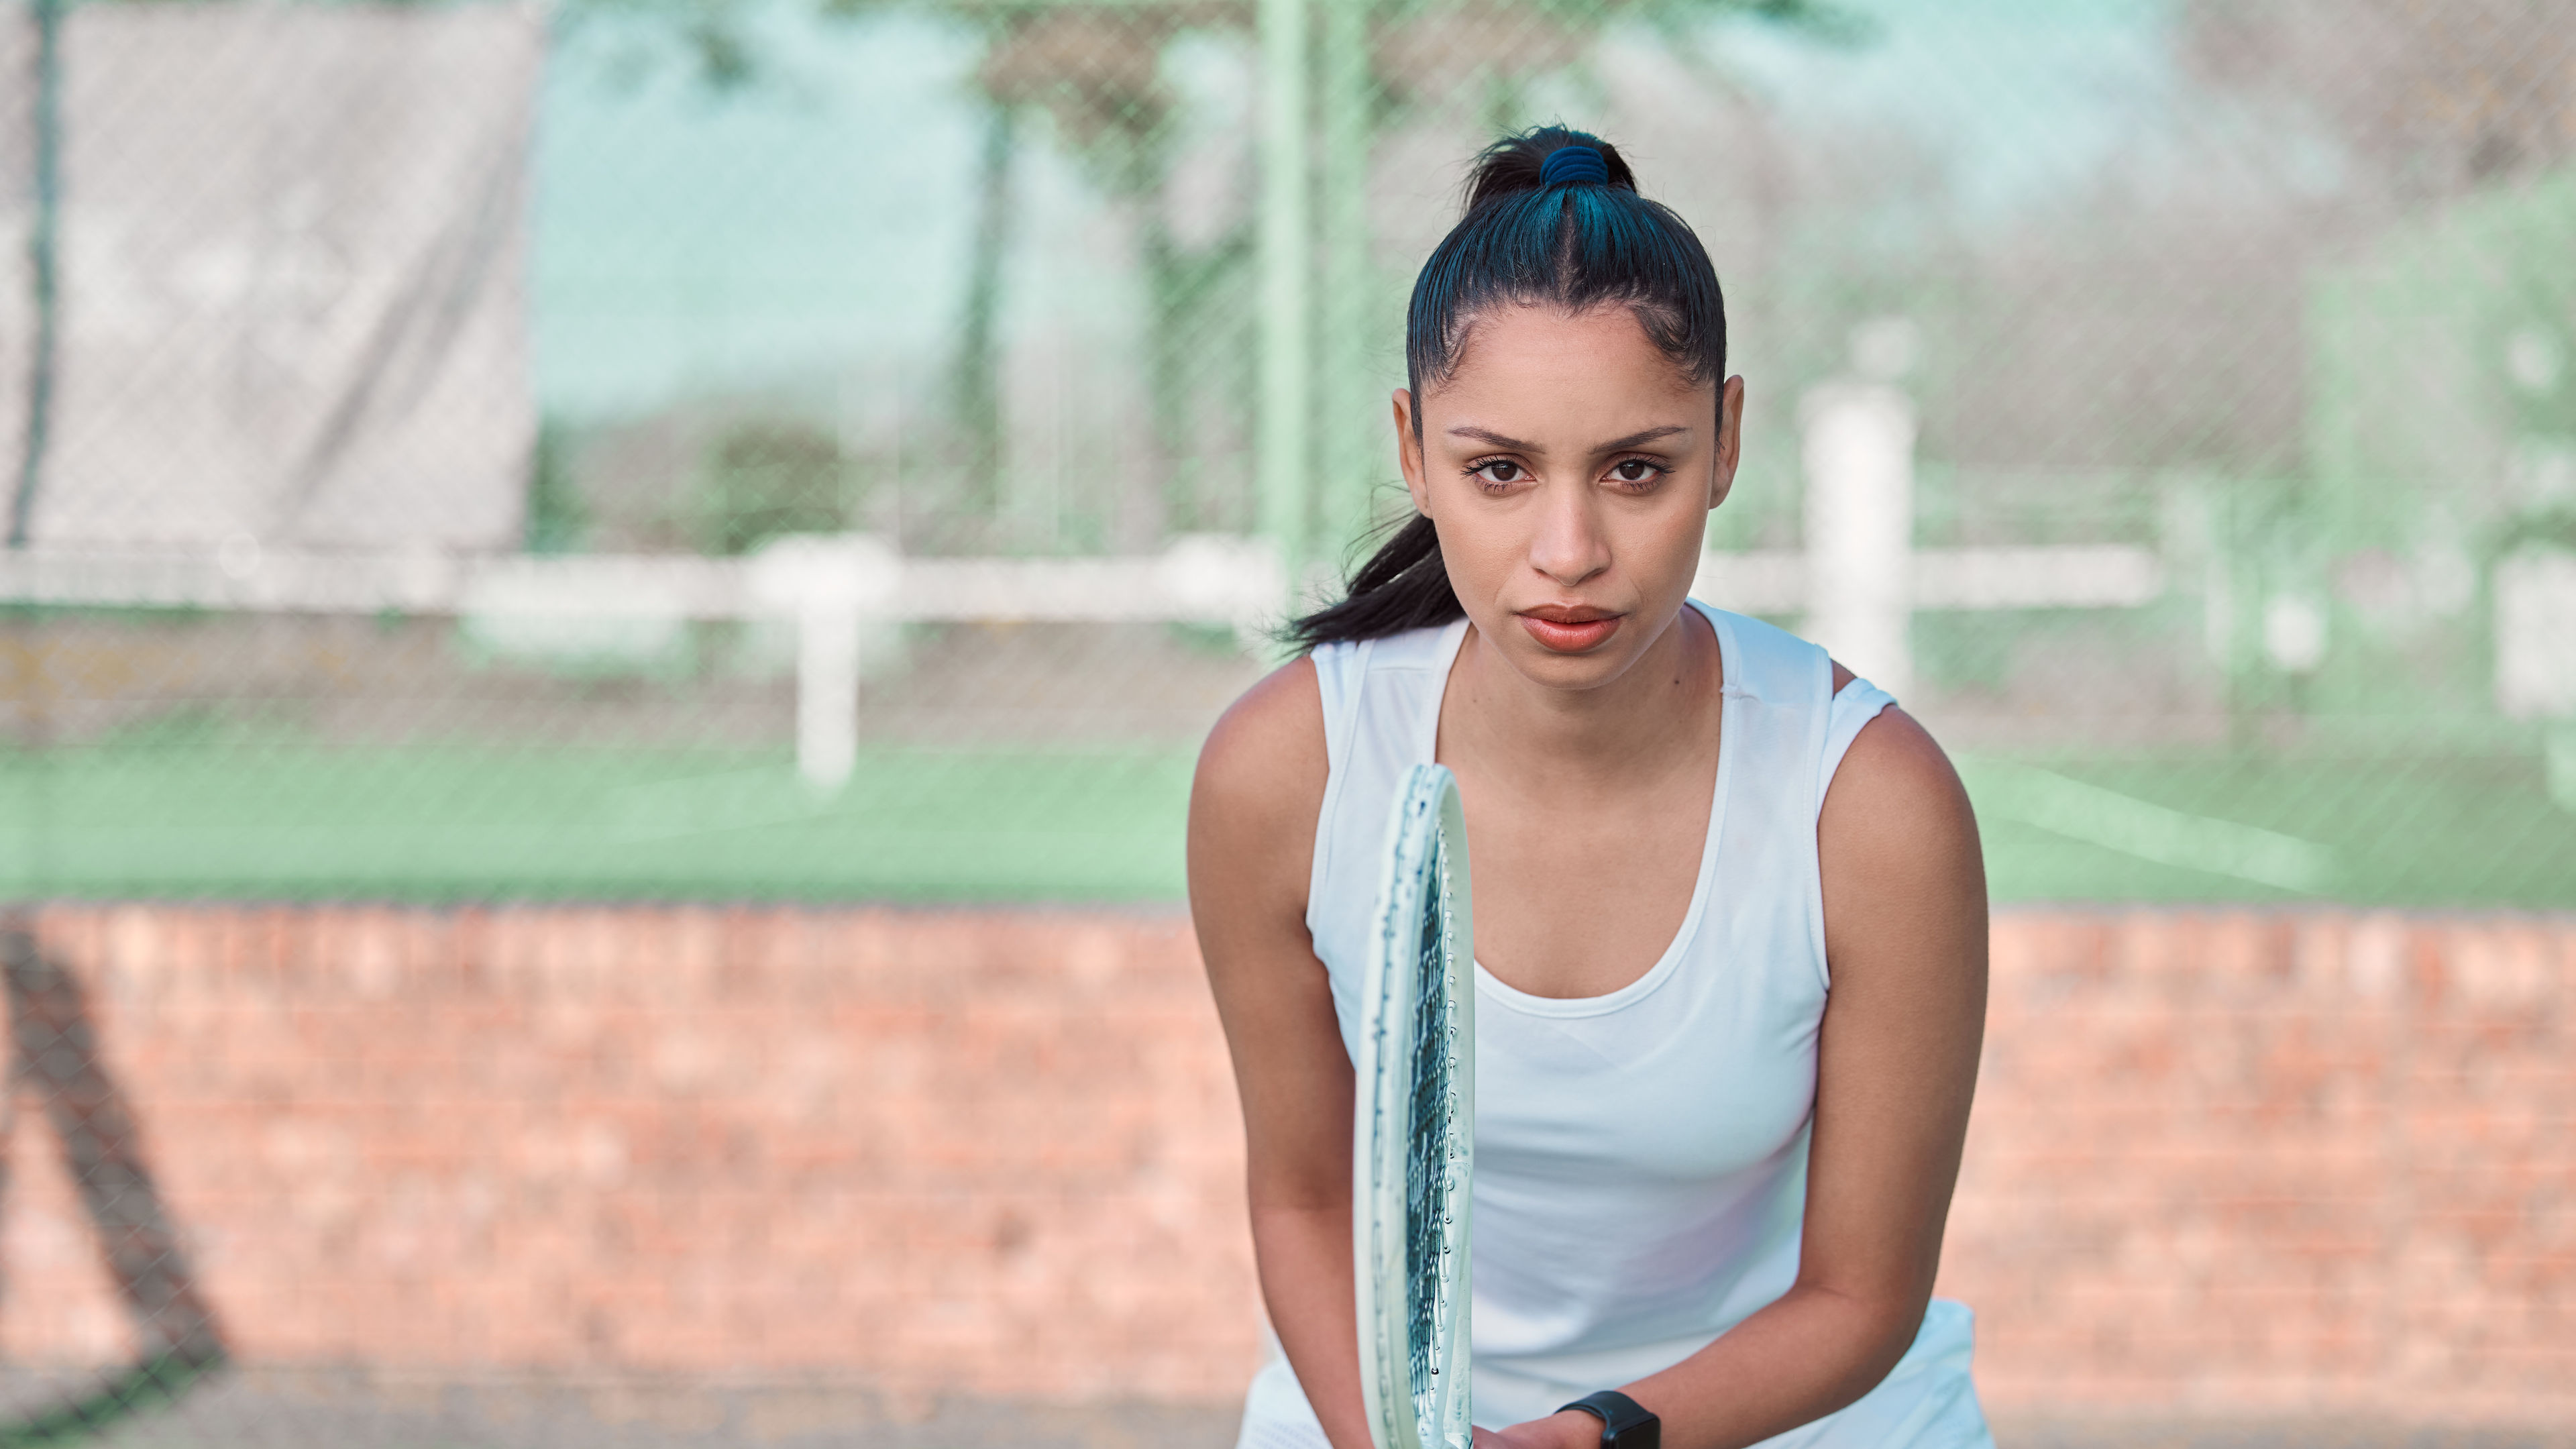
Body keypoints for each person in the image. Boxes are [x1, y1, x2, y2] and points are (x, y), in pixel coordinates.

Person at [1187, 126, 1992, 1449]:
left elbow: (1860, 1297)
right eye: (1499, 470)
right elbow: (1306, 1204)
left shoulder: (1868, 803)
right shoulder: (1287, 771)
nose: (1569, 552)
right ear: (1414, 447)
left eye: (1636, 469)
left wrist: (1588, 1438)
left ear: (1726, 441)